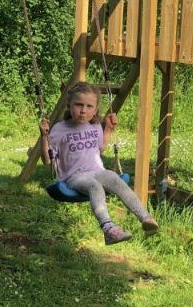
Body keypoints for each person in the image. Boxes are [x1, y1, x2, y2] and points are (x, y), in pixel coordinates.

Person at [40, 82, 159, 244]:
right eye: (78, 105)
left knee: (115, 178)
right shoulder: (59, 129)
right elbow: (47, 160)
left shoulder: (95, 126)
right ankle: (109, 230)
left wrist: (108, 129)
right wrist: (44, 136)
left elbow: (100, 148)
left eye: (89, 106)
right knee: (94, 186)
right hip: (74, 177)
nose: (83, 110)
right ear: (69, 105)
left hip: (97, 170)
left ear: (95, 110)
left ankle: (145, 218)